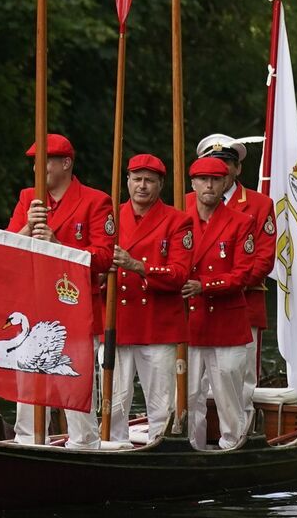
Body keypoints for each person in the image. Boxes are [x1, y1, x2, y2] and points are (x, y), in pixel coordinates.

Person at [6, 133, 115, 448]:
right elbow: (7, 249)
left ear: (66, 163)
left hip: (74, 308)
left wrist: (58, 246)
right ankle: (26, 442)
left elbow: (105, 258)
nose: (38, 169)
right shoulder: (29, 198)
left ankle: (84, 445)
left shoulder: (95, 201)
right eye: (35, 163)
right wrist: (27, 227)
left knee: (73, 383)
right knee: (27, 382)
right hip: (33, 304)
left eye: (46, 162)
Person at [104, 154, 193, 443]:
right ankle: (114, 448)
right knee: (114, 401)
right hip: (117, 322)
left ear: (160, 185)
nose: (142, 186)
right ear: (127, 181)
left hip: (157, 323)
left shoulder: (178, 221)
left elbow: (179, 274)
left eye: (149, 181)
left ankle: (159, 448)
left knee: (161, 403)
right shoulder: (110, 218)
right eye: (137, 179)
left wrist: (137, 266)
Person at [192, 134, 276, 417]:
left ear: (237, 168)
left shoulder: (259, 204)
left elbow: (263, 259)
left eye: (227, 163)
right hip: (193, 306)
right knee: (191, 383)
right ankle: (195, 441)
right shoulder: (186, 202)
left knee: (239, 380)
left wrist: (227, 284)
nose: (221, 169)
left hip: (242, 303)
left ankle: (240, 439)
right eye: (213, 163)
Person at [183, 157, 255, 450]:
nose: (209, 185)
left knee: (228, 394)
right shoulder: (180, 220)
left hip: (226, 322)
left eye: (215, 180)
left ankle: (233, 445)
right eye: (202, 179)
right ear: (193, 184)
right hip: (188, 322)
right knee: (187, 395)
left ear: (226, 183)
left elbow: (243, 273)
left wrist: (205, 286)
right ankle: (191, 448)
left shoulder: (241, 222)